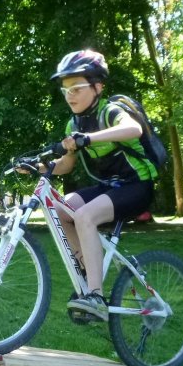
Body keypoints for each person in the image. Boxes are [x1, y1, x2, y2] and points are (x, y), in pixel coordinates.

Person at [46, 49, 157, 321]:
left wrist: (88, 139)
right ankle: (87, 271)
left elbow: (134, 130)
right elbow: (67, 164)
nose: (69, 95)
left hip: (137, 185)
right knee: (62, 208)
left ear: (97, 87)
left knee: (84, 216)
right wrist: (43, 167)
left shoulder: (110, 111)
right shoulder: (73, 123)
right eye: (65, 89)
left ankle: (95, 295)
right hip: (111, 186)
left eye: (76, 87)